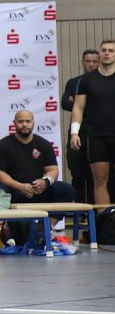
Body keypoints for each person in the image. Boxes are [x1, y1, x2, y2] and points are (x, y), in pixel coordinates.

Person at [0, 110, 75, 207]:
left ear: (33, 123)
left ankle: (47, 222)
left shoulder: (44, 144)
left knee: (67, 189)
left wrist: (45, 182)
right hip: (12, 191)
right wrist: (20, 187)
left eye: (28, 121)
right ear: (14, 123)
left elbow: (53, 170)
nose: (24, 124)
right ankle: (2, 222)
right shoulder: (2, 145)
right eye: (20, 121)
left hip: (37, 191)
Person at [70, 40, 115, 206]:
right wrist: (74, 132)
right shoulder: (86, 80)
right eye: (104, 50)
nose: (107, 53)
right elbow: (78, 107)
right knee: (100, 181)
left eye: (111, 50)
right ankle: (106, 224)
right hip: (96, 137)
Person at [61, 49, 99, 203]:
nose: (91, 64)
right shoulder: (74, 82)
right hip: (77, 135)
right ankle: (80, 211)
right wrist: (84, 104)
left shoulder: (107, 82)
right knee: (77, 174)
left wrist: (79, 102)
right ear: (82, 63)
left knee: (96, 176)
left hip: (98, 135)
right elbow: (65, 103)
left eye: (94, 61)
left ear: (100, 61)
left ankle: (99, 214)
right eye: (88, 61)